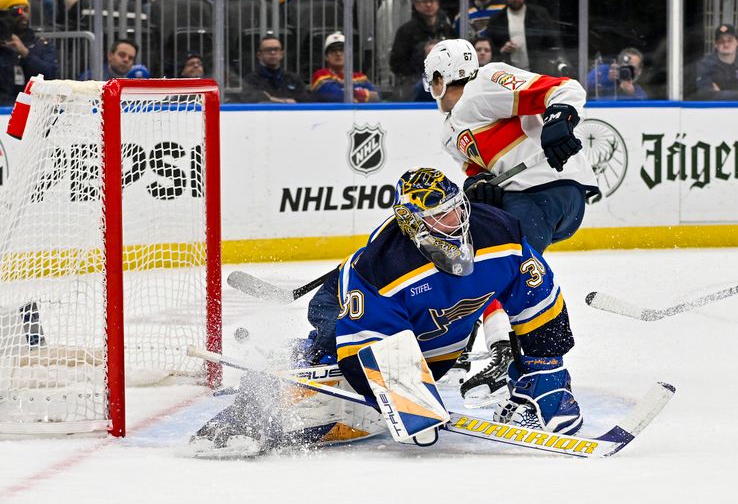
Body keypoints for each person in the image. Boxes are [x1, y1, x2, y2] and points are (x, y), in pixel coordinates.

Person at [189, 168, 583, 457]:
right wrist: (406, 399)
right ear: (412, 222)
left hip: (434, 342)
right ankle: (251, 404)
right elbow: (370, 344)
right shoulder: (382, 266)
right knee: (327, 351)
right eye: (440, 216)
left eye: (456, 209)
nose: (456, 221)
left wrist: (545, 371)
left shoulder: (500, 233)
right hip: (345, 305)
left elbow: (538, 299)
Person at [423, 38, 598, 407]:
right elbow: (479, 172)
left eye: (434, 80)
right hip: (522, 198)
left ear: (442, 76)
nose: (432, 89)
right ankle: (475, 345)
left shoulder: (486, 80)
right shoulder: (450, 130)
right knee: (469, 256)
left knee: (510, 272)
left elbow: (566, 88)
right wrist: (478, 185)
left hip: (549, 190)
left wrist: (559, 118)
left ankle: (535, 378)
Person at [389, 0, 456, 100]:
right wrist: (422, 57)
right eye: (424, 1)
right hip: (415, 83)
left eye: (432, 1)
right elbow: (396, 63)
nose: (429, 4)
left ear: (438, 3)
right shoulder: (406, 30)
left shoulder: (446, 28)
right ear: (416, 5)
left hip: (446, 82)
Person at [485, 0, 557, 73]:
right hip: (508, 74)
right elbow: (490, 49)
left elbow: (553, 43)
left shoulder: (540, 15)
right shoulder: (496, 19)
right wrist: (502, 50)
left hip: (538, 72)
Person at [0, 0, 57, 106]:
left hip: (33, 108)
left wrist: (25, 53)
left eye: (26, 10)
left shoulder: (40, 45)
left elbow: (50, 75)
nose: (23, 15)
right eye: (16, 11)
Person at [692, 24, 738, 101]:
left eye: (730, 40)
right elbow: (704, 94)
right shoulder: (705, 64)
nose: (726, 44)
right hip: (714, 111)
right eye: (721, 41)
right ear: (715, 44)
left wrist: (720, 94)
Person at [311, 31, 379, 103]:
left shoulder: (360, 77)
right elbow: (334, 96)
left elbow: (377, 97)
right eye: (333, 51)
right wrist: (363, 94)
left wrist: (348, 93)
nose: (338, 53)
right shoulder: (320, 75)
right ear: (326, 57)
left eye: (342, 50)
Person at [240, 35, 310, 103]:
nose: (273, 53)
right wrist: (285, 101)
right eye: (268, 50)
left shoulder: (294, 79)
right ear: (259, 55)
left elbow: (305, 102)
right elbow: (249, 100)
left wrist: (270, 99)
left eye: (276, 49)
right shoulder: (251, 80)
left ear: (282, 54)